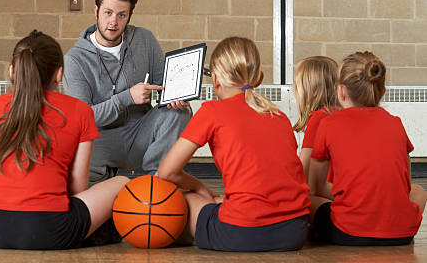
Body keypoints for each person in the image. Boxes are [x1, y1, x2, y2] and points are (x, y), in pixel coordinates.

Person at [0, 30, 129, 250]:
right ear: (59, 74)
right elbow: (77, 187)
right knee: (123, 183)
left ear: (11, 71)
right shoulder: (80, 111)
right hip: (47, 230)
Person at [158, 37, 310, 252]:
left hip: (241, 232)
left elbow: (166, 172)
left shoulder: (211, 111)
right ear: (259, 78)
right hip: (294, 233)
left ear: (216, 79)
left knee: (180, 197)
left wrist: (202, 189)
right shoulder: (279, 115)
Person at [63, 0, 192, 183]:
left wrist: (176, 96)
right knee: (74, 143)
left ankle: (158, 182)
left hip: (140, 132)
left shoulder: (144, 39)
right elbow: (83, 118)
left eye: (121, 15)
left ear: (129, 16)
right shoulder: (74, 59)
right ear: (96, 11)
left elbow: (164, 84)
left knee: (180, 111)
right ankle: (102, 181)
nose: (113, 22)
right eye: (108, 13)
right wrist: (127, 97)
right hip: (100, 141)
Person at [309, 51, 427, 246]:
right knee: (418, 191)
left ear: (341, 91)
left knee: (308, 198)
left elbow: (316, 186)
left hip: (349, 232)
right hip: (401, 234)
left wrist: (354, 194)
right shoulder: (395, 123)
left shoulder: (329, 123)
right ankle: (396, 224)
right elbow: (405, 185)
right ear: (383, 91)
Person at [293, 56, 338, 189]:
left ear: (307, 90)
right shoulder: (338, 114)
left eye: (295, 84)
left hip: (335, 197)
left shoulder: (319, 118)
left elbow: (302, 174)